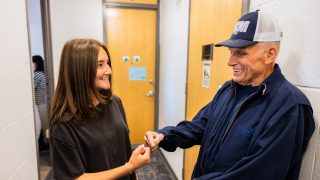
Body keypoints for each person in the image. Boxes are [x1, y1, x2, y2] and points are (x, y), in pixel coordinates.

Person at [145, 10, 315, 180]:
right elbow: (201, 126)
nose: (230, 62)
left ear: (270, 54)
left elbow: (258, 173)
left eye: (241, 53)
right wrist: (166, 136)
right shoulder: (229, 89)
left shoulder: (290, 106)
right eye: (231, 52)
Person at [50, 38, 150, 180]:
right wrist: (129, 167)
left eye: (107, 63)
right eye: (100, 65)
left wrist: (132, 170)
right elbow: (77, 178)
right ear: (80, 71)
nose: (108, 70)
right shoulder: (63, 125)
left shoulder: (115, 102)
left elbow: (125, 150)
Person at [32, 55, 49, 150]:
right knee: (43, 124)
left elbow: (31, 87)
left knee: (43, 124)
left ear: (37, 63)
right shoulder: (42, 73)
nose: (31, 64)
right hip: (43, 102)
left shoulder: (37, 74)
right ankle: (45, 144)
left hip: (41, 103)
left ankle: (46, 144)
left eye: (33, 62)